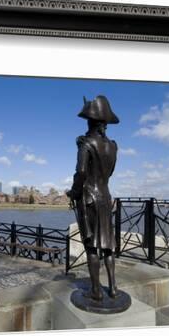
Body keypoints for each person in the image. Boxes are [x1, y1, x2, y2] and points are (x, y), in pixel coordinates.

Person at [67, 95, 119, 301]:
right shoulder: (113, 146)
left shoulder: (86, 144)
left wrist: (73, 192)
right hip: (106, 197)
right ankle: (113, 287)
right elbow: (110, 172)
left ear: (91, 121)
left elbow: (81, 172)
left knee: (91, 246)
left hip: (89, 198)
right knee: (108, 245)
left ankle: (96, 290)